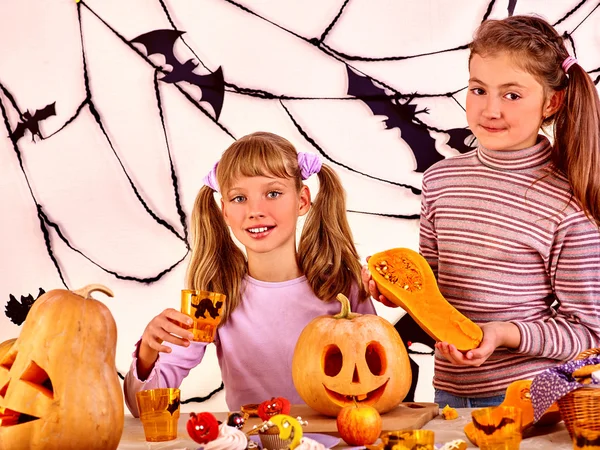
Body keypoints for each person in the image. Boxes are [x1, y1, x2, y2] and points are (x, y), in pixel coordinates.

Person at [364, 15, 600, 408]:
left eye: (512, 95)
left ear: (552, 102)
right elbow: (432, 288)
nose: (490, 110)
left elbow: (590, 333)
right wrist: (397, 292)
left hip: (534, 399)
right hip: (449, 392)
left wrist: (503, 333)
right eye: (478, 90)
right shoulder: (440, 181)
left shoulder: (567, 202)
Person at [124, 131, 375, 415]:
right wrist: (147, 352)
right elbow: (143, 409)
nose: (255, 210)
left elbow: (381, 374)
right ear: (224, 212)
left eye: (273, 193)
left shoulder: (342, 287)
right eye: (239, 198)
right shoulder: (213, 301)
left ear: (302, 200)